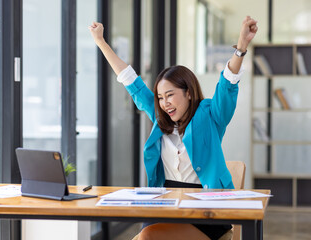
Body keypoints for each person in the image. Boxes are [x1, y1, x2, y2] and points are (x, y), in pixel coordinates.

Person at [89, 16, 258, 240]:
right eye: (160, 97)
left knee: (148, 237)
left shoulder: (210, 116)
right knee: (144, 236)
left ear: (188, 92)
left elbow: (227, 86)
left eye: (170, 95)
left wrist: (241, 48)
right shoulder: (161, 119)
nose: (164, 102)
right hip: (166, 205)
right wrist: (101, 42)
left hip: (206, 213)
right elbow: (130, 81)